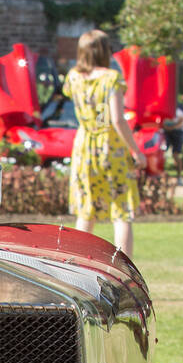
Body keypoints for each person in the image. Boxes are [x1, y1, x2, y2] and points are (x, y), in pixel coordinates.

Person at [62, 29, 146, 258]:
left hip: (84, 145)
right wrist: (135, 150)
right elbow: (117, 119)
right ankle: (125, 268)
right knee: (121, 211)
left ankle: (78, 263)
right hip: (110, 147)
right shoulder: (111, 79)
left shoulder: (73, 77)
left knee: (86, 210)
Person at [165, 97, 183, 184]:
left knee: (176, 154)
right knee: (162, 150)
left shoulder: (176, 107)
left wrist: (172, 127)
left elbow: (182, 119)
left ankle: (179, 177)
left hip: (180, 130)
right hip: (168, 129)